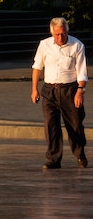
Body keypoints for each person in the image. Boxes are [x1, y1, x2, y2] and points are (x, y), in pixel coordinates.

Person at [31, 16, 88, 170]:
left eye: (63, 34)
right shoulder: (44, 45)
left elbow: (82, 71)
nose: (60, 37)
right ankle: (53, 159)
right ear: (52, 33)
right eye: (57, 34)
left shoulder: (77, 45)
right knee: (51, 125)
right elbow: (37, 67)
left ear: (67, 31)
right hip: (50, 91)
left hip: (70, 90)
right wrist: (34, 89)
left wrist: (80, 91)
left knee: (75, 125)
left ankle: (79, 153)